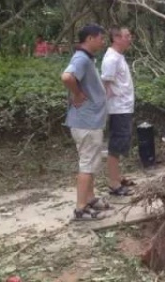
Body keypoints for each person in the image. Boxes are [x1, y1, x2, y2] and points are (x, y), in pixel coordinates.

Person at [61, 24, 109, 220]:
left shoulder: (87, 59)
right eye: (100, 38)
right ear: (90, 39)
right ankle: (80, 208)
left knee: (90, 162)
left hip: (90, 122)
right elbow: (66, 77)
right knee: (87, 164)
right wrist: (78, 94)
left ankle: (90, 199)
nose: (103, 41)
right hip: (86, 122)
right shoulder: (81, 58)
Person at [101, 27, 135, 196]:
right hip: (118, 109)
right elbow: (105, 85)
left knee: (122, 143)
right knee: (115, 145)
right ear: (116, 38)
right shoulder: (111, 59)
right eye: (127, 36)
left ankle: (118, 177)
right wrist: (105, 107)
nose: (130, 39)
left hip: (124, 107)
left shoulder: (118, 57)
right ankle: (114, 184)